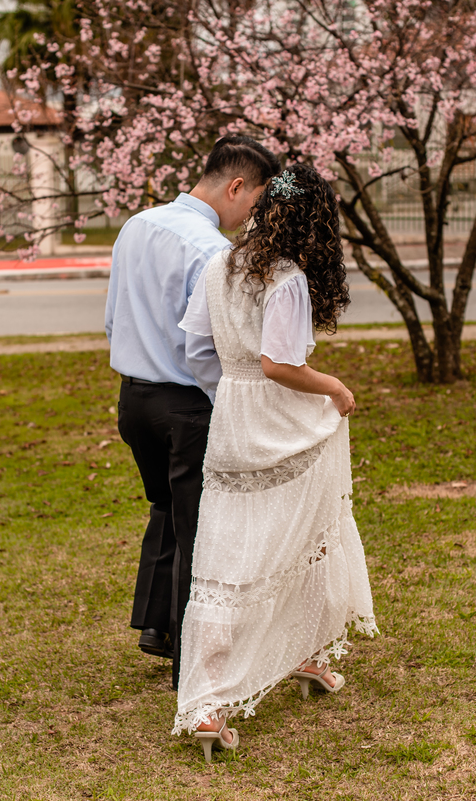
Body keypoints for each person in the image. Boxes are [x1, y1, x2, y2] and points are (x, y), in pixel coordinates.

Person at [172, 164, 378, 762]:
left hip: (233, 420)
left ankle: (220, 696)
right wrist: (335, 387)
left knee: (227, 555)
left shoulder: (220, 264)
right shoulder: (285, 278)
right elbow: (279, 365)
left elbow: (196, 347)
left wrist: (229, 394)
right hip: (281, 423)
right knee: (306, 534)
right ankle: (291, 659)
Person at [105, 135, 281, 688]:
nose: (252, 218)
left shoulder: (136, 225)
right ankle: (193, 659)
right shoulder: (210, 251)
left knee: (165, 505)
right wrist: (226, 402)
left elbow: (112, 317)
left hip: (134, 399)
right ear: (236, 187)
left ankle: (156, 625)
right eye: (256, 203)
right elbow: (205, 348)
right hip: (185, 405)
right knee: (198, 528)